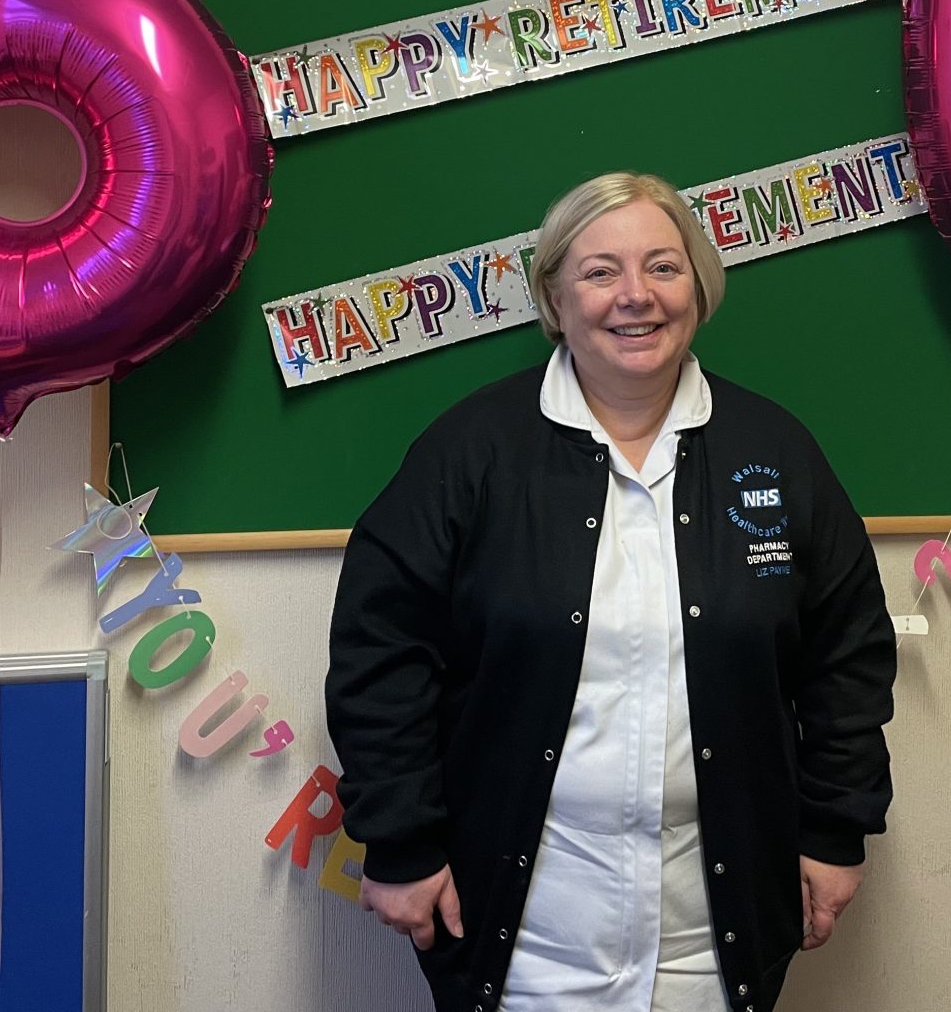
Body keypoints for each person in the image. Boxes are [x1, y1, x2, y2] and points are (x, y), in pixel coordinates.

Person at [326, 172, 896, 1012]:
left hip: (716, 930)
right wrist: (401, 840)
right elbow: (380, 649)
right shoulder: (470, 452)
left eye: (663, 267)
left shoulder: (775, 451)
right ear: (554, 297)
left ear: (699, 286)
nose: (636, 296)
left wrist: (834, 828)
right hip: (524, 933)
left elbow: (847, 655)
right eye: (600, 273)